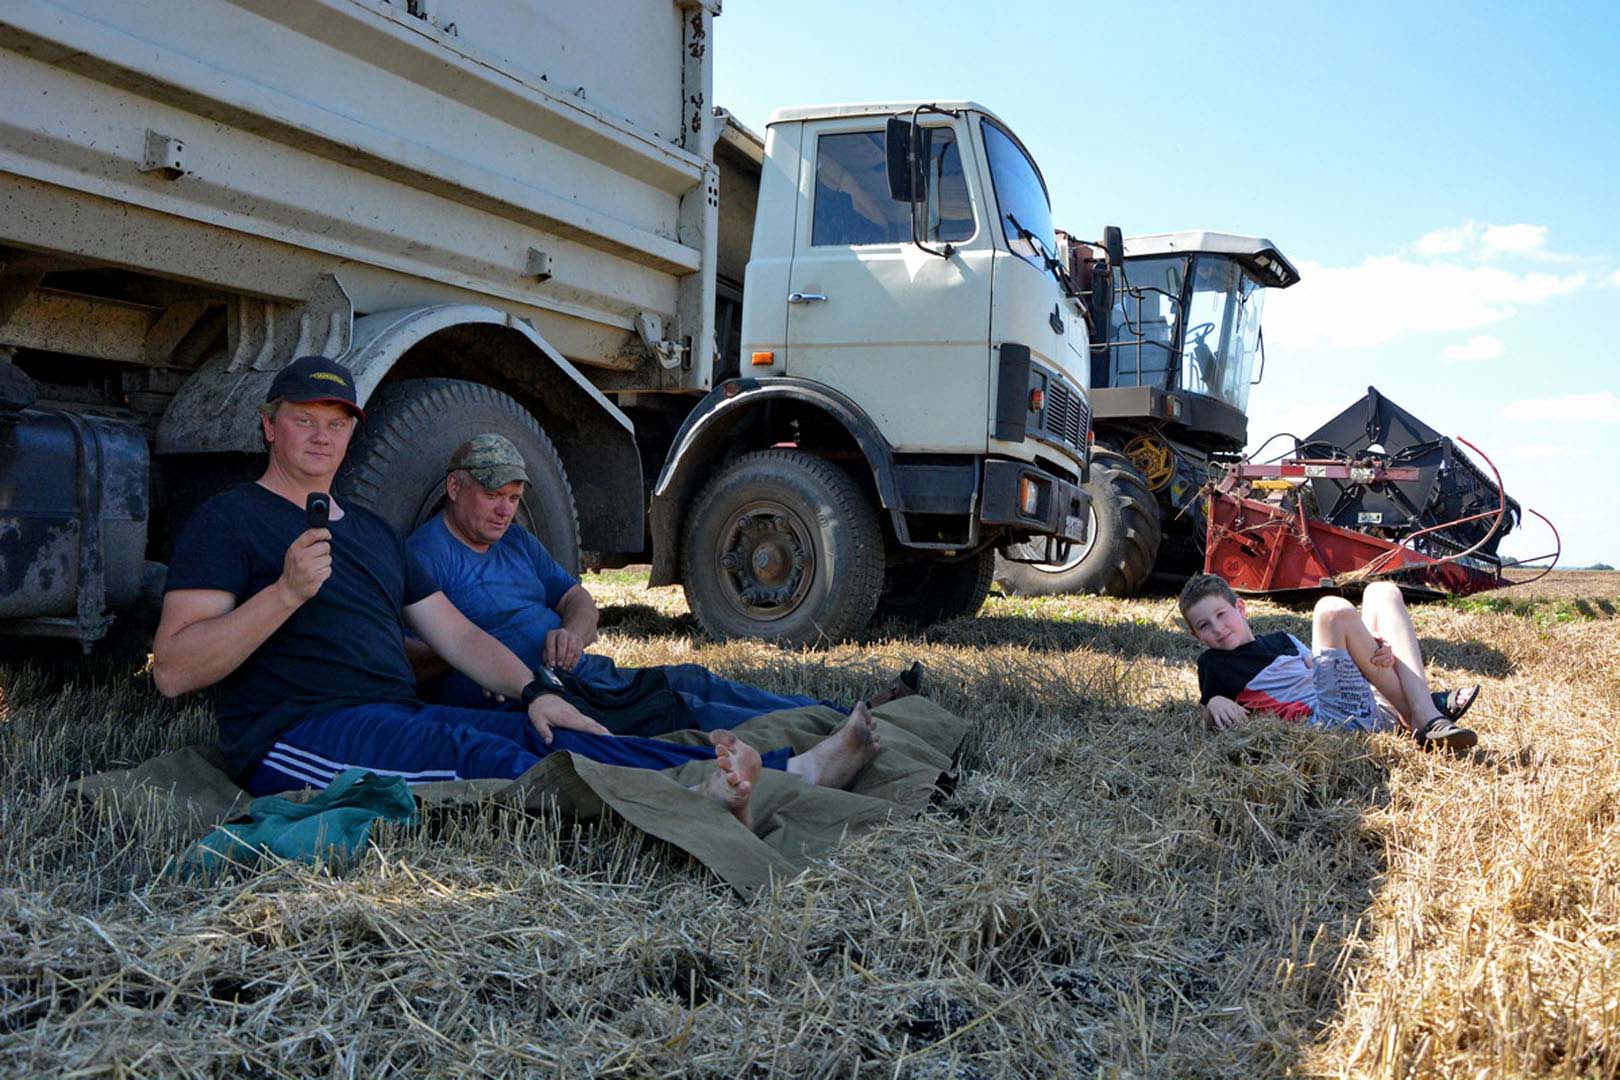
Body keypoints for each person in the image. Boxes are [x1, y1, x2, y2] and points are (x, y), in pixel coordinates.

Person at [151, 356, 882, 822]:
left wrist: (537, 693)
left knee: (552, 737)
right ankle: (783, 779)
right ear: (269, 426)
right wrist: (282, 593)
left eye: (336, 424)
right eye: (304, 421)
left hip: (396, 710)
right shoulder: (230, 521)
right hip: (302, 735)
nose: (321, 436)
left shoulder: (371, 532)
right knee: (497, 766)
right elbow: (175, 671)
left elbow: (460, 637)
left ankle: (737, 783)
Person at [405, 433, 920, 733]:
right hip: (543, 695)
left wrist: (574, 632)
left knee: (696, 680)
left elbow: (577, 598)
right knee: (692, 712)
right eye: (494, 494)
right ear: (455, 486)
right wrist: (486, 665)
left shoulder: (517, 542)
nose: (505, 509)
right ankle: (837, 732)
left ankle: (844, 715)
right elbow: (406, 655)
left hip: (586, 672)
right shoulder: (425, 555)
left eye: (514, 498)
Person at [1177, 573, 1479, 751]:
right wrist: (1214, 701)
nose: (1217, 628)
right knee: (1330, 610)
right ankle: (1424, 714)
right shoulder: (1215, 663)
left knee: (1382, 591)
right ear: (1195, 635)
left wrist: (1374, 646)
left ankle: (1418, 712)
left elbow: (1330, 670)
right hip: (1330, 722)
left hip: (1364, 703)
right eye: (1204, 626)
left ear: (1240, 608)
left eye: (1221, 615)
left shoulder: (1283, 639)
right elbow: (1206, 714)